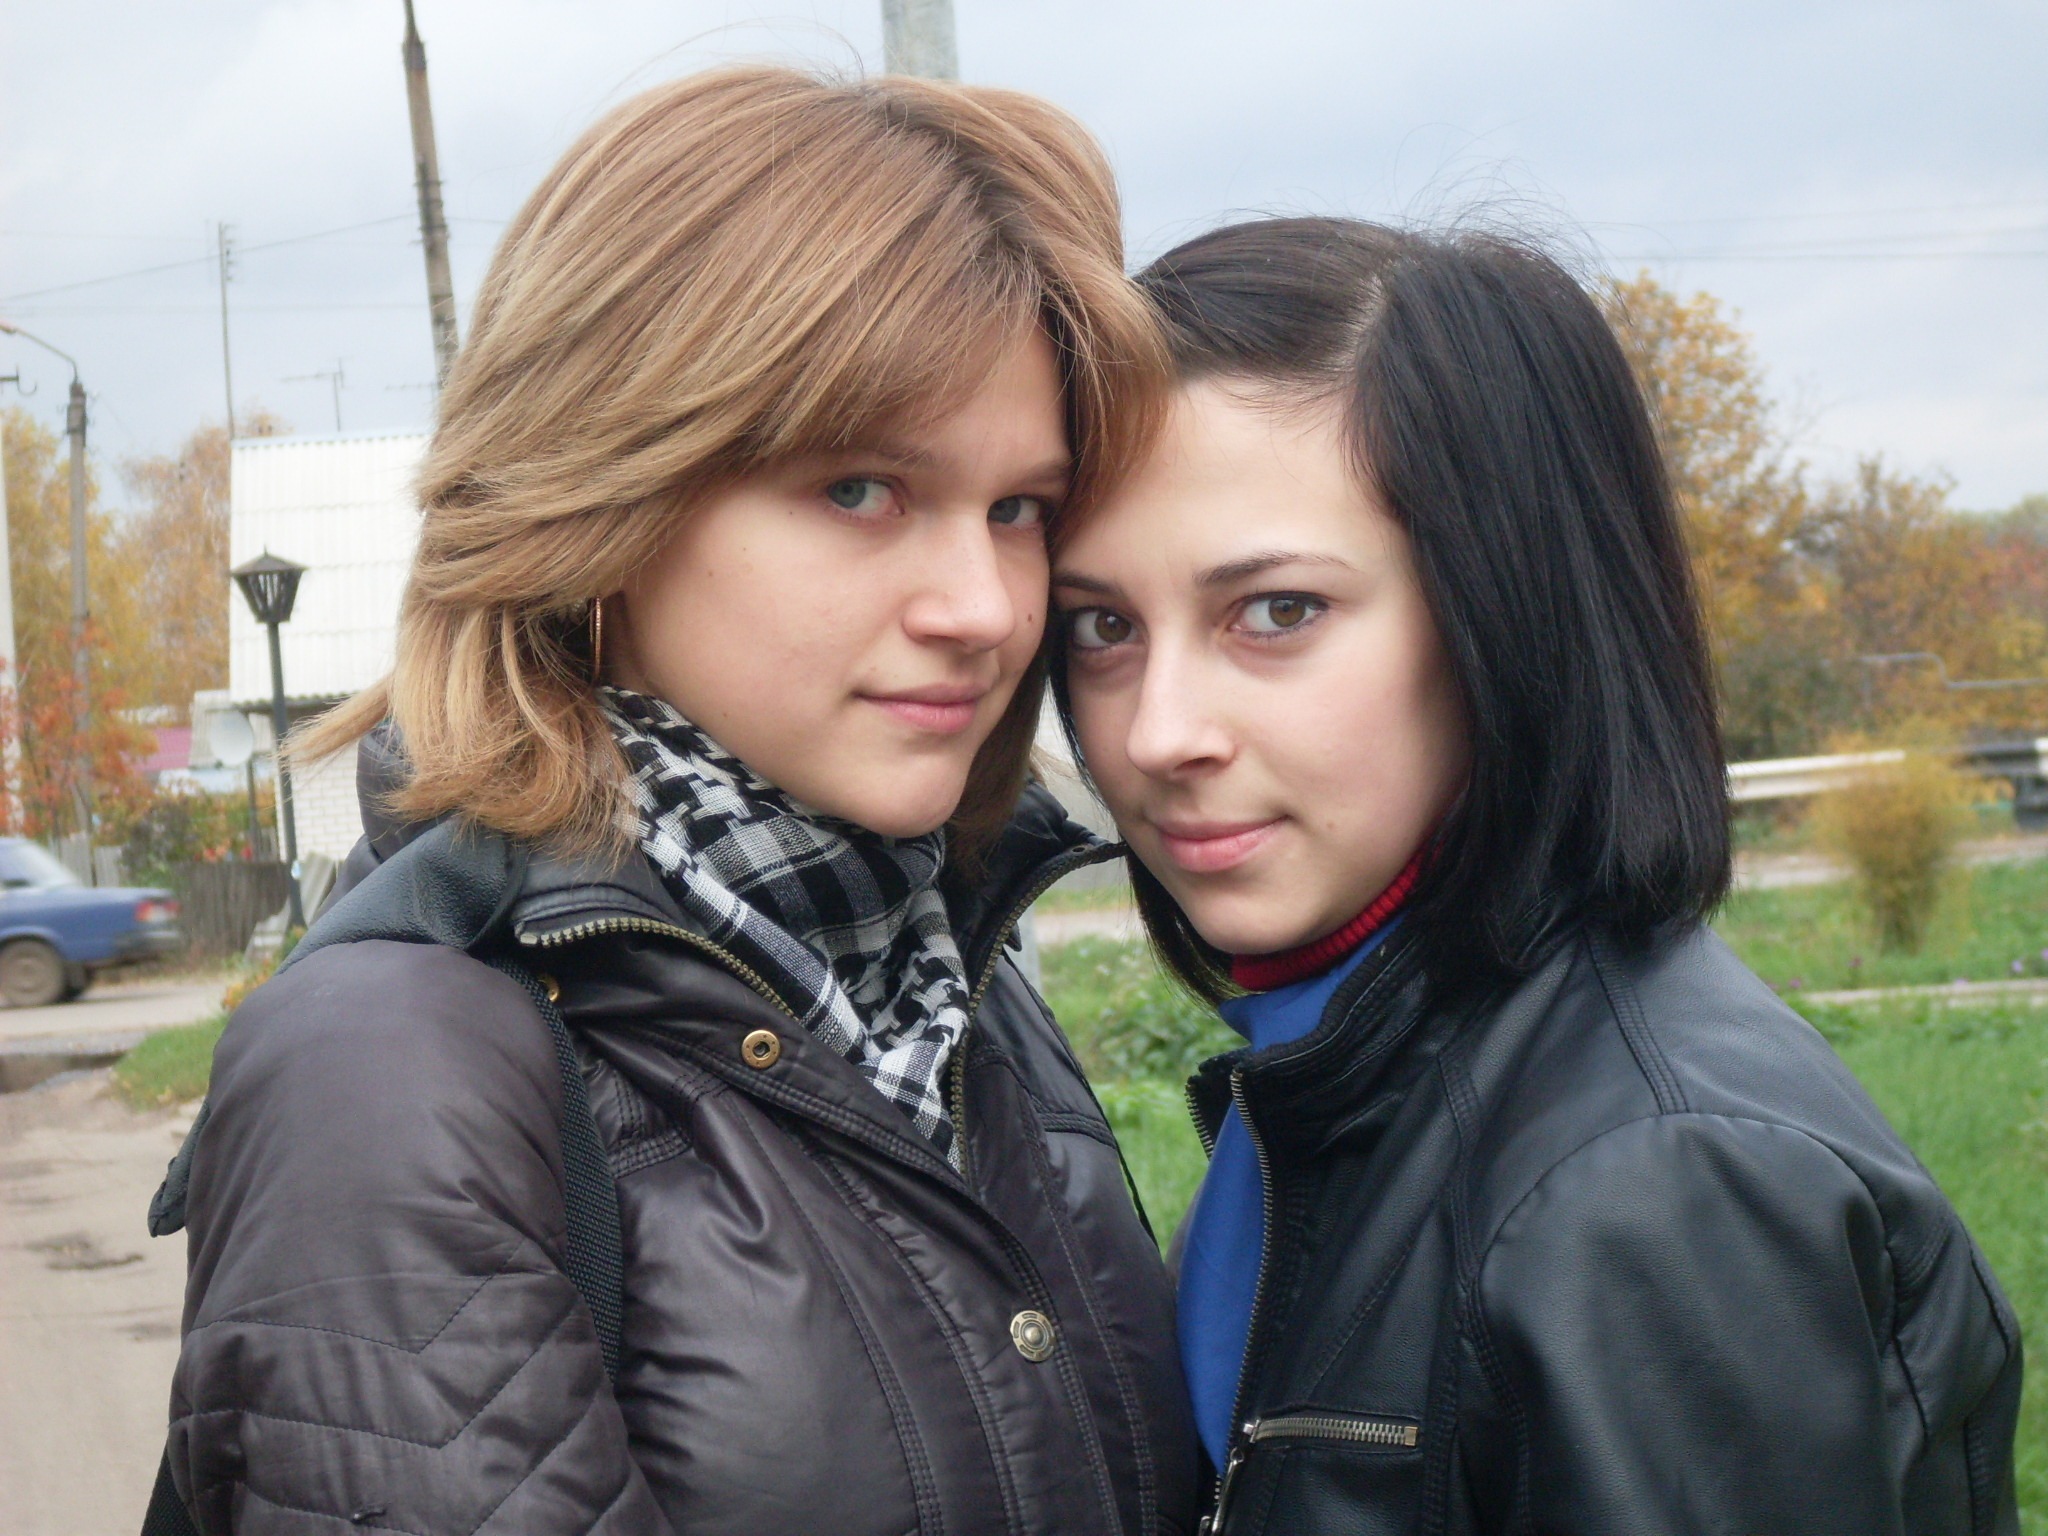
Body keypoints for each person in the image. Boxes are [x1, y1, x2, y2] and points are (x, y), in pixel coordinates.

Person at [155, 68, 1197, 1535]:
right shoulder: (388, 1078)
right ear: (605, 498)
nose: (983, 607)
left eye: (1017, 508)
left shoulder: (948, 972)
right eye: (861, 490)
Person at [1049, 216, 2021, 1534]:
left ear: (1504, 613)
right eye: (1103, 626)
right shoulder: (1338, 1072)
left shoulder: (1655, 1188)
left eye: (1277, 612)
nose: (1158, 733)